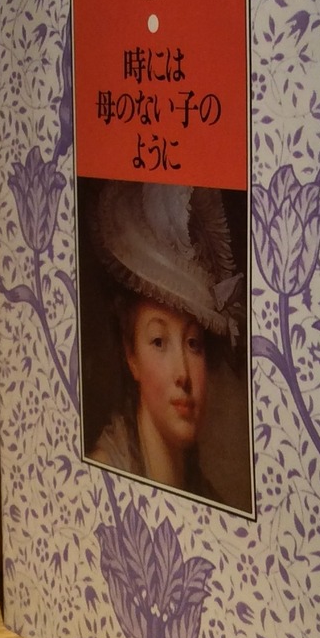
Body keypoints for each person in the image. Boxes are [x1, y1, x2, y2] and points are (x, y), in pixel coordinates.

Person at [87, 180, 241, 498]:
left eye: (193, 343)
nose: (182, 374)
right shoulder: (102, 478)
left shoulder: (207, 495)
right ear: (131, 356)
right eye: (158, 341)